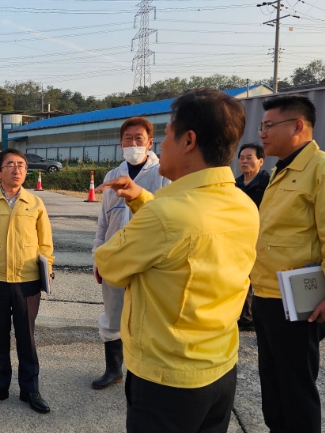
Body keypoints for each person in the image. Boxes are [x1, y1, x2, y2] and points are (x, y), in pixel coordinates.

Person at [95, 88, 259, 433]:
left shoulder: (165, 214)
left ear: (189, 140)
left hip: (167, 379)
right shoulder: (242, 204)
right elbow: (181, 228)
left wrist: (145, 210)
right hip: (220, 368)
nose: (160, 144)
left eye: (167, 134)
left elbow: (109, 264)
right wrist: (142, 199)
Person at [251, 95, 325, 433]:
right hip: (268, 295)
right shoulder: (281, 171)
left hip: (299, 302)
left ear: (298, 126)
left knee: (295, 389)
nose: (262, 133)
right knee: (272, 384)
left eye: (269, 125)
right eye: (261, 126)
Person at [0, 148, 54, 414]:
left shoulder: (35, 203)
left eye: (22, 165)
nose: (17, 170)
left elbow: (45, 243)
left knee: (27, 337)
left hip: (27, 281)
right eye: (11, 165)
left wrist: (47, 271)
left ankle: (30, 389)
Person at [91, 116, 169, 390]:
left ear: (150, 143)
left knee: (148, 317)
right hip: (115, 258)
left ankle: (145, 374)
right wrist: (98, 256)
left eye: (139, 138)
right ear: (120, 143)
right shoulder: (112, 176)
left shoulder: (163, 175)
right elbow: (103, 221)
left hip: (149, 261)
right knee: (113, 314)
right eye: (128, 138)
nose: (133, 143)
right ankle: (113, 369)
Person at [234, 143, 270, 329]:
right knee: (243, 276)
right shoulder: (234, 185)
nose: (244, 161)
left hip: (262, 237)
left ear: (260, 161)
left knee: (263, 278)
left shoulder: (269, 184)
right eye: (241, 158)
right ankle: (246, 317)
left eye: (249, 157)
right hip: (239, 238)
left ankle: (264, 318)